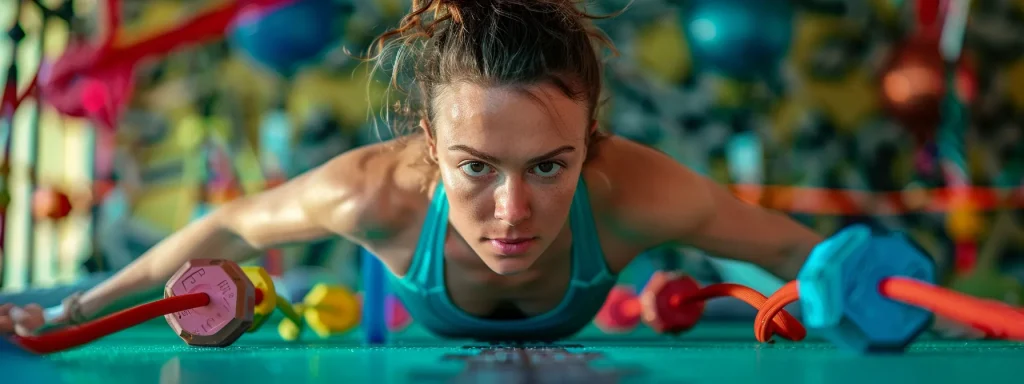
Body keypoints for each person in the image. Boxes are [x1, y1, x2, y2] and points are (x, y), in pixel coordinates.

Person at [1, 0, 824, 341]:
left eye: (549, 165)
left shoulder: (635, 190)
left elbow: (796, 256)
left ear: (592, 142)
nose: (512, 210)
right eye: (473, 167)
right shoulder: (367, 191)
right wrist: (73, 310)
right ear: (428, 145)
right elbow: (223, 226)